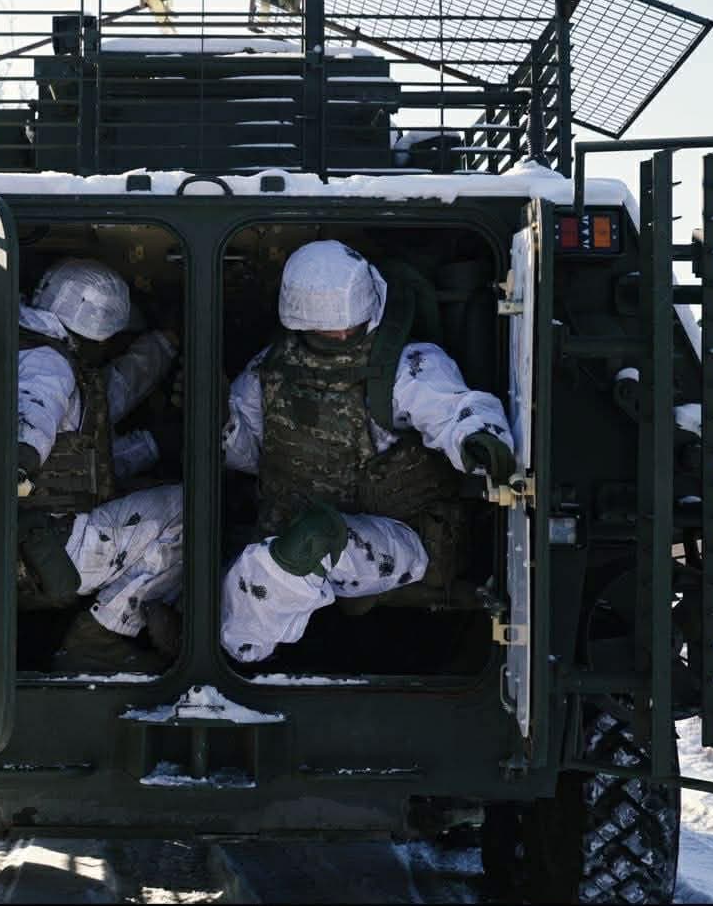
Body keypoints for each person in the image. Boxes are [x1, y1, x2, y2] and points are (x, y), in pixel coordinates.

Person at [220, 239, 516, 663]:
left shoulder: (404, 364)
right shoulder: (269, 369)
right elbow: (250, 455)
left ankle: (232, 659)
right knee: (284, 547)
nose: (342, 333)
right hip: (288, 534)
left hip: (402, 538)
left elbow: (453, 408)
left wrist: (480, 439)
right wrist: (223, 425)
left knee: (314, 539)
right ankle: (223, 664)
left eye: (351, 323)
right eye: (328, 327)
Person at [15, 257, 183, 671]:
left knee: (147, 486)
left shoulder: (32, 346)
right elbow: (33, 416)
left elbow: (88, 443)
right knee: (191, 509)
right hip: (45, 546)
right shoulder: (47, 365)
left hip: (34, 538)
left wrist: (156, 442)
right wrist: (20, 460)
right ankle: (100, 641)